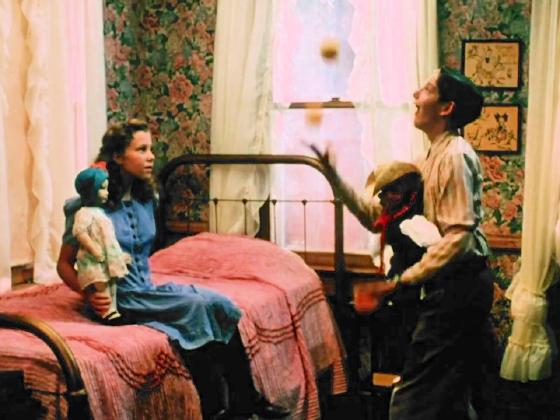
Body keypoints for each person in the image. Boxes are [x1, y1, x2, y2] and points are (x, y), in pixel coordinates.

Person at [57, 119, 290, 420]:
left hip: (146, 290)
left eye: (151, 149)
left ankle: (244, 401)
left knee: (218, 303)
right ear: (117, 156)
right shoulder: (88, 206)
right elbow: (64, 264)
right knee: (195, 307)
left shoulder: (147, 198)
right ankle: (221, 407)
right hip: (117, 299)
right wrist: (88, 294)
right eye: (142, 149)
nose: (151, 156)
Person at [312, 67, 495, 419]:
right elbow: (378, 217)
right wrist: (334, 177)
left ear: (446, 108)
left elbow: (459, 236)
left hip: (460, 286)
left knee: (412, 398)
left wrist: (399, 282)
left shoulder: (455, 155)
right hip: (447, 286)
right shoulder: (428, 159)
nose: (415, 95)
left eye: (426, 89)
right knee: (447, 396)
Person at [72, 167, 130, 322]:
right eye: (102, 189)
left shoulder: (99, 212)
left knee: (112, 283)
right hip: (94, 258)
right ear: (90, 191)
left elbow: (108, 237)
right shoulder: (84, 213)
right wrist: (93, 248)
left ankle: (113, 310)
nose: (106, 193)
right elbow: (80, 232)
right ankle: (105, 313)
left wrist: (119, 255)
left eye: (106, 188)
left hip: (107, 256)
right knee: (101, 284)